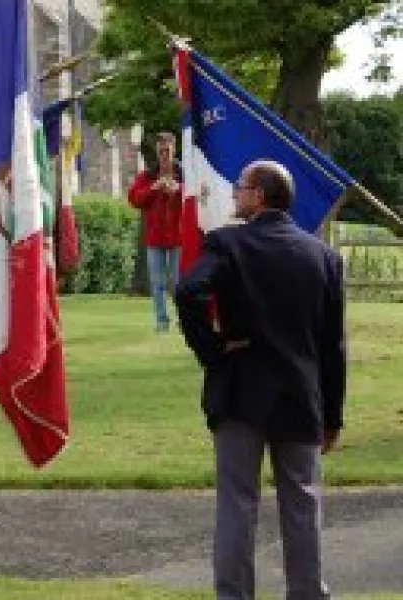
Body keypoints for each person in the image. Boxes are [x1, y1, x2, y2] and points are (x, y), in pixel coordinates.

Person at [174, 159, 346, 600]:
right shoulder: (323, 257)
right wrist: (333, 416)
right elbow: (333, 345)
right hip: (300, 398)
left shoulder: (226, 244)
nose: (233, 194)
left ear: (260, 196)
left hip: (240, 395)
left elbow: (188, 290)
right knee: (303, 507)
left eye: (240, 187)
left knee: (237, 505)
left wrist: (212, 350)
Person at [128, 131, 182, 332]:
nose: (164, 154)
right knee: (157, 283)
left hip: (178, 236)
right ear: (157, 152)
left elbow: (196, 197)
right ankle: (161, 322)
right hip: (155, 237)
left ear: (174, 149)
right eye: (161, 151)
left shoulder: (185, 173)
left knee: (178, 283)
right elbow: (134, 199)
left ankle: (183, 320)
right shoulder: (148, 175)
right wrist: (153, 188)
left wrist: (179, 190)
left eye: (167, 150)